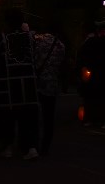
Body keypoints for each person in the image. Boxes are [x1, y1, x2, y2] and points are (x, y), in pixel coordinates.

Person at [0, 9, 40, 161]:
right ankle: (31, 147)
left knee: (8, 117)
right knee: (28, 117)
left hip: (9, 83)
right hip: (29, 83)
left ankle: (8, 147)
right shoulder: (31, 37)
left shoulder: (3, 38)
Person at [32, 24, 66, 155]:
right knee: (49, 116)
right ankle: (46, 145)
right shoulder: (60, 45)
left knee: (34, 115)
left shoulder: (37, 41)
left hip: (37, 82)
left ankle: (33, 144)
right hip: (52, 83)